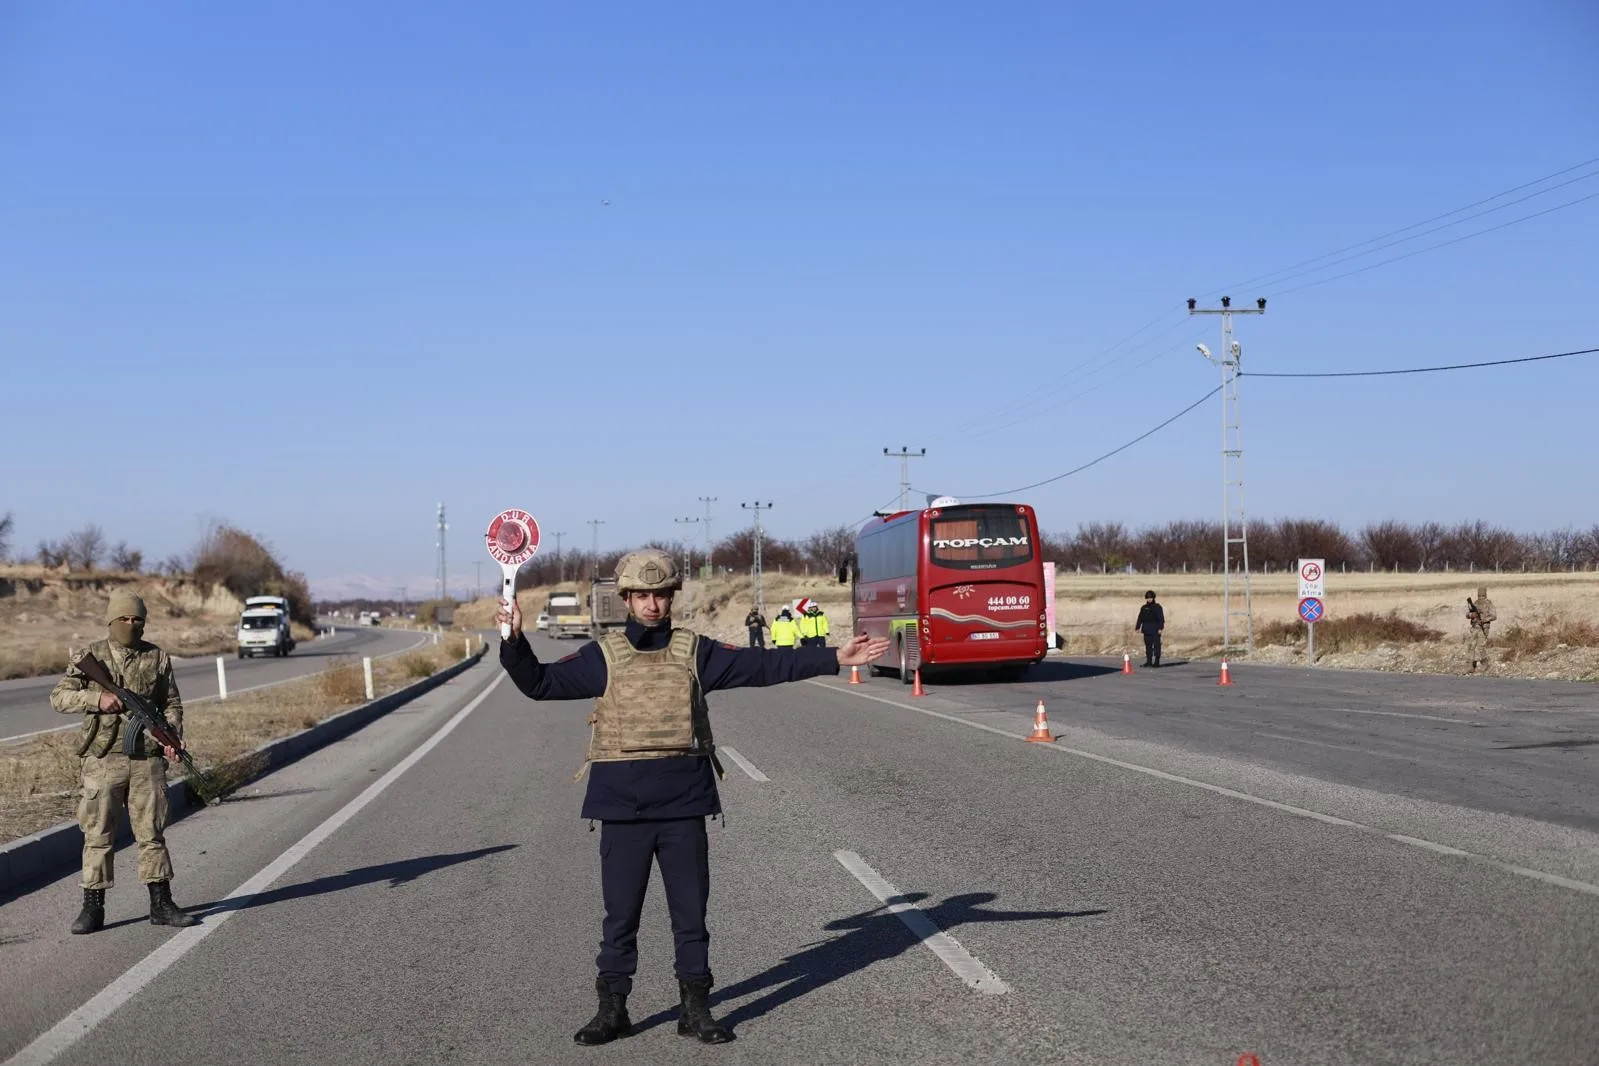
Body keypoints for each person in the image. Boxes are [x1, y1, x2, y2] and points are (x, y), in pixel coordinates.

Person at [496, 549, 887, 1046]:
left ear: (670, 597)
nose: (653, 605)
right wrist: (513, 639)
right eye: (642, 595)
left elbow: (761, 664)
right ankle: (612, 1009)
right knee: (620, 918)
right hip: (622, 807)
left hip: (683, 804)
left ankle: (696, 1009)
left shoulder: (694, 651)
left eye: (661, 595)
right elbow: (540, 683)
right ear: (628, 599)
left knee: (690, 916)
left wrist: (833, 656)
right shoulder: (603, 655)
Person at [49, 591, 199, 934]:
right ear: (111, 621)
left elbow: (172, 703)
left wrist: (171, 737)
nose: (131, 625)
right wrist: (96, 698)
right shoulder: (92, 656)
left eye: (137, 620)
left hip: (146, 758)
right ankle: (93, 907)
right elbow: (58, 697)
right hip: (102, 760)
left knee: (152, 833)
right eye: (124, 619)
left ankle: (161, 903)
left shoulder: (157, 657)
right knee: (98, 834)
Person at [1466, 585, 1496, 674]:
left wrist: (1484, 620)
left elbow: (1494, 616)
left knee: (1481, 647)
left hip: (1484, 629)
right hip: (1474, 627)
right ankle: (1470, 666)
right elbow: (1467, 614)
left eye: (1483, 595)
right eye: (1479, 595)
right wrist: (1472, 615)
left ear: (1485, 595)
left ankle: (1485, 663)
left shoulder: (1489, 604)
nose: (1481, 597)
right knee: (1471, 645)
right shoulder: (1474, 604)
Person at [1134, 590, 1165, 668]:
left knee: (1157, 646)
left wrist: (1160, 628)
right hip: (1146, 629)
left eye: (1151, 598)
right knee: (1148, 646)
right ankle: (1149, 662)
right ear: (1146, 598)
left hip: (1155, 629)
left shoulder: (1157, 607)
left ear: (1153, 598)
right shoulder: (1144, 608)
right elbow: (1140, 618)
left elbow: (1161, 618)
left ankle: (1157, 662)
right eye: (1148, 598)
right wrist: (1137, 627)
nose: (1149, 599)